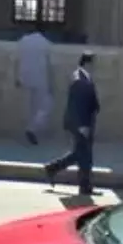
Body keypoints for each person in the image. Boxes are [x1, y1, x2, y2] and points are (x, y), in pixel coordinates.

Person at [44, 51, 100, 195]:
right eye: (94, 63)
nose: (96, 67)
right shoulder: (79, 79)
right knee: (84, 155)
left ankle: (53, 168)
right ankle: (84, 187)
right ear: (87, 63)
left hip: (85, 122)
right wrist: (82, 126)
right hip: (81, 123)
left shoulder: (84, 77)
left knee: (81, 154)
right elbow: (77, 105)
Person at [16, 23, 53, 145]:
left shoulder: (23, 40)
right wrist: (51, 83)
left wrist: (17, 77)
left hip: (24, 78)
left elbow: (17, 60)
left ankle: (30, 127)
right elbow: (50, 65)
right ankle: (32, 129)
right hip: (40, 79)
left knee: (31, 107)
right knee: (45, 106)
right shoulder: (45, 43)